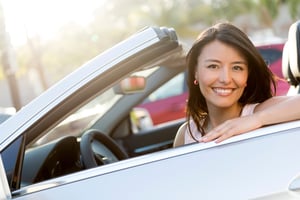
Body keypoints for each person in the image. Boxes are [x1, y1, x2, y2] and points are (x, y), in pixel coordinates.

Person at [173, 22, 300, 147]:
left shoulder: (259, 113)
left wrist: (256, 120)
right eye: (213, 66)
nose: (226, 79)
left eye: (237, 68)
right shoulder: (186, 135)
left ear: (247, 75)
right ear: (195, 72)